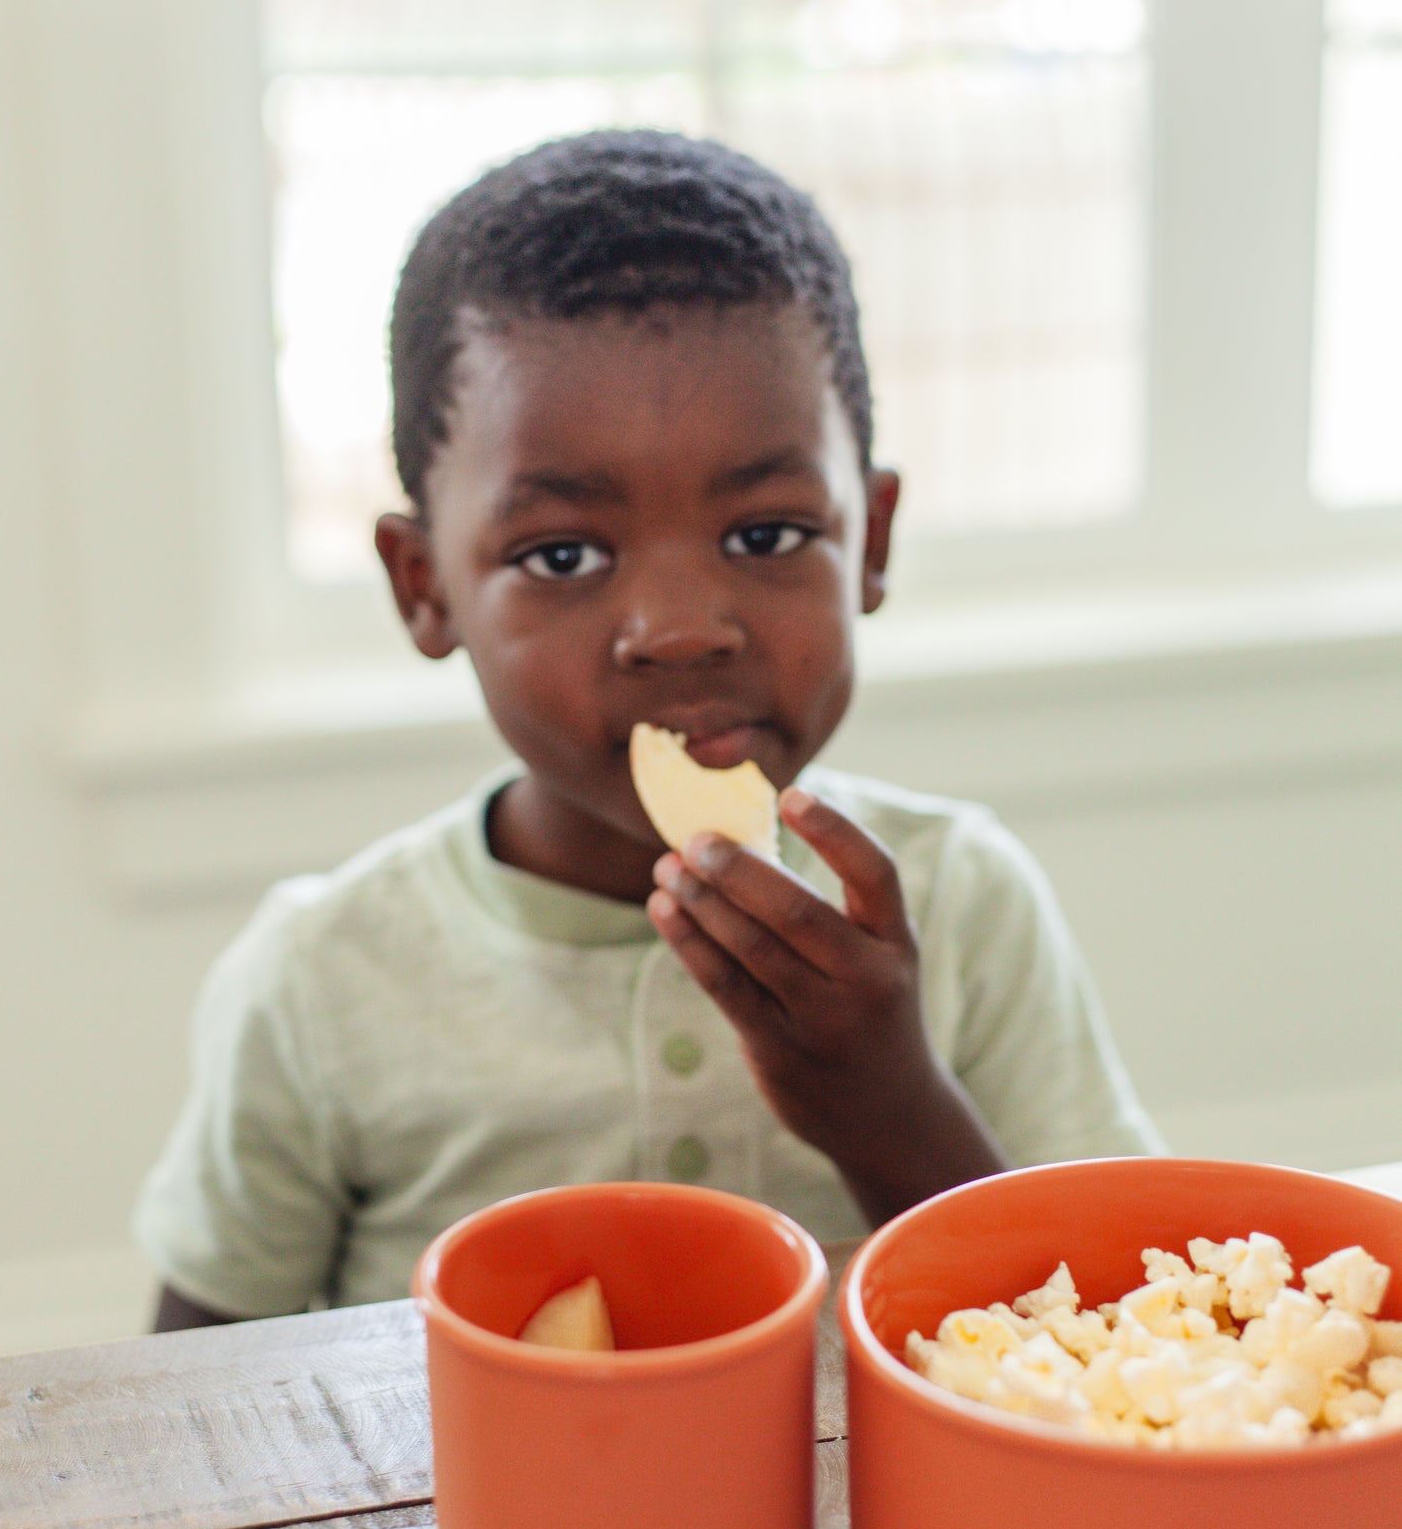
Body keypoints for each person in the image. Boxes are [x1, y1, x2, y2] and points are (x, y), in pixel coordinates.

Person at [138, 129, 1161, 1330]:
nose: (679, 630)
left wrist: (885, 1106)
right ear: (425, 587)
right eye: (561, 554)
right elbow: (192, 1386)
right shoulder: (324, 977)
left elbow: (1120, 1343)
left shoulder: (966, 902)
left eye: (767, 535)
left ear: (870, 542)